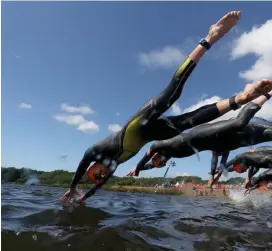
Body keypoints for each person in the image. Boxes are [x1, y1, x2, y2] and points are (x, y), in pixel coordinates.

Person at [60, 11, 255, 203]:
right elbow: (98, 185)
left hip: (139, 122)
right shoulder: (112, 167)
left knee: (173, 92)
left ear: (92, 168)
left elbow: (81, 164)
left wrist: (73, 187)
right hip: (152, 134)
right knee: (189, 121)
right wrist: (84, 197)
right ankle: (238, 99)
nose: (101, 175)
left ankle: (209, 38)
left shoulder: (95, 151)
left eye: (96, 173)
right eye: (100, 178)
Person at [129, 81, 272, 180]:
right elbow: (220, 162)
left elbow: (143, 160)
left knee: (239, 123)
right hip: (220, 142)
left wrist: (137, 169)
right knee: (262, 137)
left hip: (203, 133)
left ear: (155, 157)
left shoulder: (159, 146)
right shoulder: (218, 152)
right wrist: (215, 176)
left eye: (156, 163)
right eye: (158, 166)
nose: (159, 164)